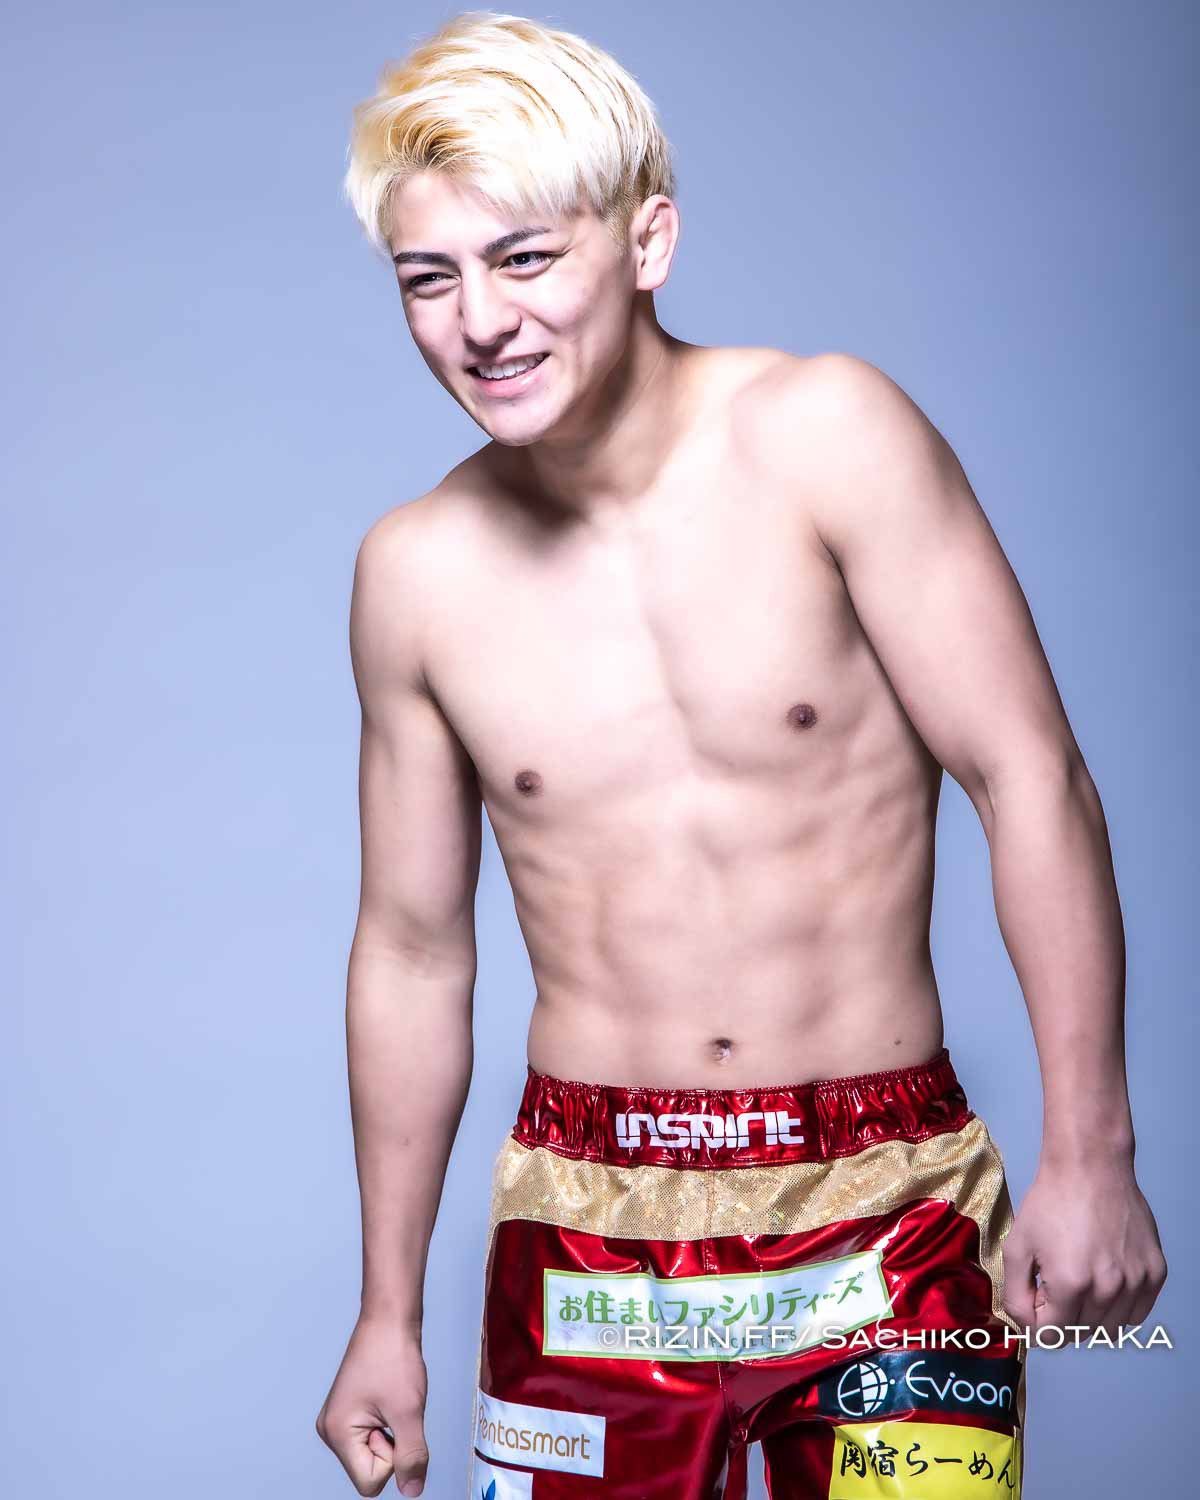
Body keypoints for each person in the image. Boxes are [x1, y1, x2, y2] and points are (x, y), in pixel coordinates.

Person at [315, 12, 1167, 1498]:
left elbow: (1030, 774)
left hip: (888, 1204)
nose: (480, 322)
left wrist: (1093, 1154)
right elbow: (411, 948)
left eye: (525, 259)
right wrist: (386, 1311)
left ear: (647, 241)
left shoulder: (830, 436)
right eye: (429, 279)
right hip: (587, 1228)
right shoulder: (416, 572)